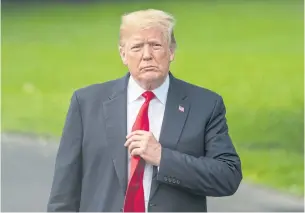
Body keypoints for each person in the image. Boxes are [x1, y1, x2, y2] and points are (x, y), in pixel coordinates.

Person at [47, 9, 242, 212]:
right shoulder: (86, 103)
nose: (147, 55)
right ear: (123, 54)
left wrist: (163, 158)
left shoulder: (205, 105)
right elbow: (63, 194)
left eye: (156, 45)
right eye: (137, 47)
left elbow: (228, 176)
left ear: (171, 51)